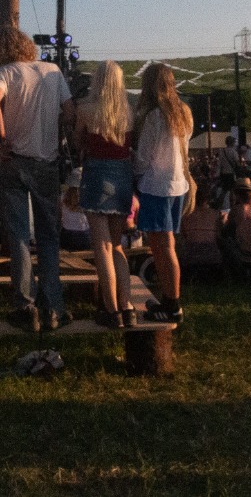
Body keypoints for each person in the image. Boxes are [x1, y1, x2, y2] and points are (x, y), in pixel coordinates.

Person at [0, 26, 76, 333]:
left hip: (15, 160)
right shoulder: (53, 71)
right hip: (47, 161)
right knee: (49, 237)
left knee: (20, 235)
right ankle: (53, 308)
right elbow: (69, 111)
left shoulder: (4, 72)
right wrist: (59, 134)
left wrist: (2, 139)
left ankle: (25, 306)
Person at [72, 59, 135, 329]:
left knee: (101, 246)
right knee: (117, 244)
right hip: (122, 174)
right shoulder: (128, 111)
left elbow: (77, 142)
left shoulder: (85, 109)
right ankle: (128, 306)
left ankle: (111, 310)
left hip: (96, 172)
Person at [133, 63, 191, 324]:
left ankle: (172, 304)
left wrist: (133, 171)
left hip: (156, 185)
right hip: (178, 184)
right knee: (166, 245)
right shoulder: (183, 113)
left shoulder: (155, 116)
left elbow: (144, 156)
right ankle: (169, 300)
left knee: (162, 246)